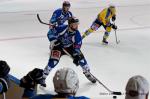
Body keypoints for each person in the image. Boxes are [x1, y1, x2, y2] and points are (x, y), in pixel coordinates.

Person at [41, 17, 96, 87]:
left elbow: (77, 45)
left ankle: (87, 73)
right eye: (74, 24)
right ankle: (43, 77)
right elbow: (50, 33)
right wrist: (54, 40)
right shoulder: (62, 28)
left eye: (77, 24)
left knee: (81, 59)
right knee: (53, 61)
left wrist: (76, 55)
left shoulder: (77, 34)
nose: (76, 26)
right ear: (70, 25)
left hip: (70, 47)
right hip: (57, 46)